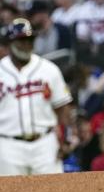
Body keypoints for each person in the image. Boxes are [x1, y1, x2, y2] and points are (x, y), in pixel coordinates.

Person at [0, 18, 72, 175]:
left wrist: (66, 139)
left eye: (30, 39)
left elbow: (62, 108)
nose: (26, 44)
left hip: (45, 143)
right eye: (21, 40)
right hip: (7, 144)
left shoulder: (49, 69)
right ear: (10, 43)